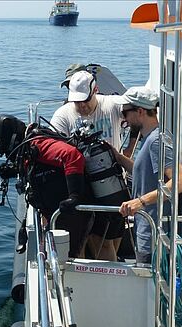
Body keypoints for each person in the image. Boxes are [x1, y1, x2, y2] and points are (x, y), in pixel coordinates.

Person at [0, 114, 94, 258]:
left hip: (70, 212)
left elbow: (71, 155)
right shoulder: (27, 148)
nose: (7, 154)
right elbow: (38, 167)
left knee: (71, 257)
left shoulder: (38, 144)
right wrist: (13, 170)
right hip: (56, 211)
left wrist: (75, 196)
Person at [51, 70, 128, 261]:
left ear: (96, 91)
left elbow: (138, 119)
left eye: (85, 100)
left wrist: (125, 154)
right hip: (81, 187)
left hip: (111, 184)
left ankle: (108, 275)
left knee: (111, 238)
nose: (82, 106)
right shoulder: (63, 115)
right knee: (84, 240)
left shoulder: (113, 106)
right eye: (77, 101)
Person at [110, 86, 182, 264]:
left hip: (151, 235)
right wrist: (118, 158)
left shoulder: (156, 141)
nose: (124, 119)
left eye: (126, 113)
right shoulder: (149, 139)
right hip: (144, 229)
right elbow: (144, 174)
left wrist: (140, 202)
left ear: (140, 111)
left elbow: (180, 182)